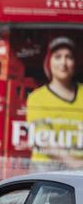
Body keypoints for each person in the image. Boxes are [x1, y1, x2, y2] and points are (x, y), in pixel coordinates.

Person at [25, 36, 83, 166]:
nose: (63, 63)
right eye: (58, 57)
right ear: (48, 62)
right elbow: (42, 139)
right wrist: (74, 163)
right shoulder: (36, 98)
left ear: (75, 62)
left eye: (69, 57)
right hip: (47, 173)